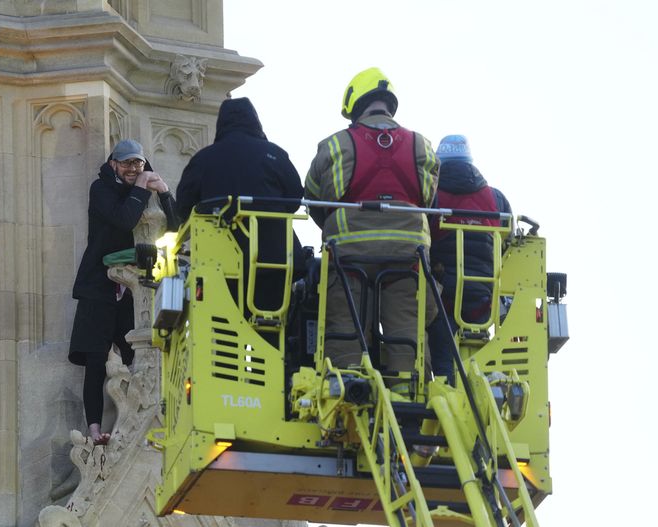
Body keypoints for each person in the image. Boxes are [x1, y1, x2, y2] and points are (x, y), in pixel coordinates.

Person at [304, 67, 439, 393]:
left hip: (349, 255)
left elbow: (312, 197)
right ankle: (406, 395)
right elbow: (429, 197)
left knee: (346, 326)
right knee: (406, 328)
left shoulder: (335, 145)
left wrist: (336, 226)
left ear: (354, 106)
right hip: (408, 255)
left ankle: (347, 390)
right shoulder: (421, 144)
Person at [69, 139, 177, 445]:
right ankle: (93, 429)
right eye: (127, 163)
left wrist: (166, 192)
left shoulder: (147, 185)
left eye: (138, 164)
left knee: (140, 355)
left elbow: (178, 227)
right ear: (114, 164)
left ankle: (145, 423)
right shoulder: (100, 188)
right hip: (98, 286)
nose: (133, 169)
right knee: (95, 359)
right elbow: (123, 218)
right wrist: (143, 186)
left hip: (133, 290)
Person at [174, 97, 305, 313]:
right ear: (255, 122)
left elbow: (184, 208)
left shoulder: (203, 159)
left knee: (219, 332)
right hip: (274, 260)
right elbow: (294, 199)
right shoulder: (273, 154)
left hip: (218, 264)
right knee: (273, 330)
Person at [427, 134, 512, 379]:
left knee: (443, 358)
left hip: (444, 298)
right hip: (484, 299)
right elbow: (508, 244)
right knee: (480, 359)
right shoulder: (497, 200)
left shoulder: (431, 197)